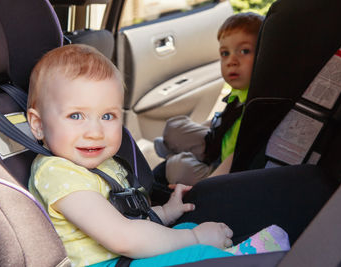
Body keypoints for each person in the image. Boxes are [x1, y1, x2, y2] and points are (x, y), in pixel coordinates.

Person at [27, 44, 289, 267]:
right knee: (196, 249)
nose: (95, 132)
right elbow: (122, 236)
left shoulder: (101, 164)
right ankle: (241, 258)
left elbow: (126, 218)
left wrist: (164, 212)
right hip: (106, 262)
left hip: (122, 257)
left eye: (108, 116)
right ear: (38, 125)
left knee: (185, 230)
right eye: (76, 116)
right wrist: (196, 239)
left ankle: (233, 255)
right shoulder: (58, 173)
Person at [153, 12, 264, 186]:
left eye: (244, 51)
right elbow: (222, 121)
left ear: (264, 54)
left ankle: (176, 155)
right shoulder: (238, 93)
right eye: (225, 53)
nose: (231, 61)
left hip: (224, 169)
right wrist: (195, 133)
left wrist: (204, 189)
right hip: (216, 143)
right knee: (175, 126)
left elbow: (235, 160)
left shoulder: (258, 104)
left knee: (177, 167)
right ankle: (177, 150)